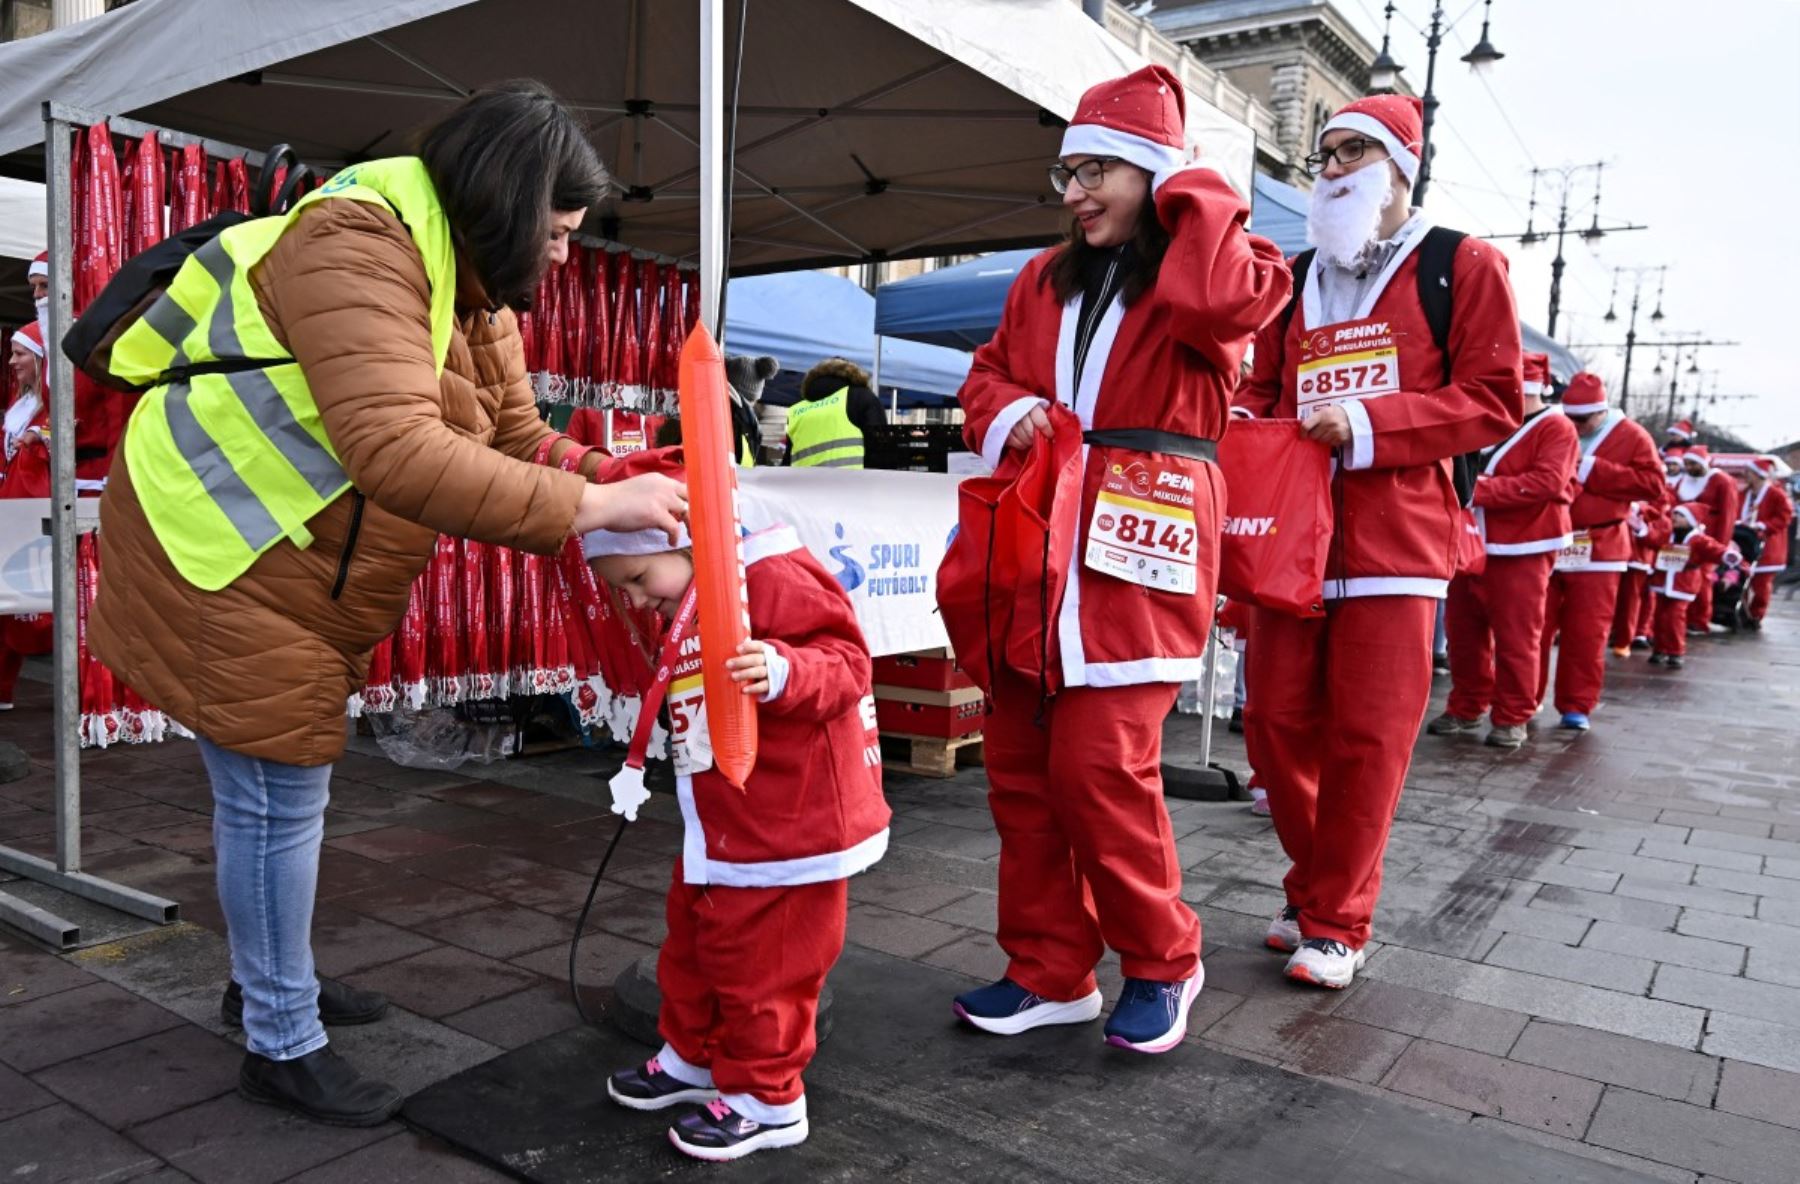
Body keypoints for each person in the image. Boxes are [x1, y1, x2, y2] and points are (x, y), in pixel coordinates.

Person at [89, 82, 689, 1127]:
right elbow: (399, 452)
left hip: (286, 561)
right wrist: (592, 501)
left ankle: (269, 979)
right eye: (552, 234)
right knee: (276, 799)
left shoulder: (469, 281)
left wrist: (620, 485)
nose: (559, 258)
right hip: (222, 548)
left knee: (277, 796)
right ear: (503, 205)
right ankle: (281, 1039)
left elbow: (514, 439)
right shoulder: (357, 245)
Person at [952, 64, 1289, 1047]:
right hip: (1035, 543)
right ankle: (1051, 967)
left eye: (1098, 169)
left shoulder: (1219, 263)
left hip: (1141, 541)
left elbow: (1226, 303)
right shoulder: (1040, 280)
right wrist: (1010, 413)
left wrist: (1197, 191)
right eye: (1066, 173)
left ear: (1154, 174)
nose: (1074, 193)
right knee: (1019, 769)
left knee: (1102, 765)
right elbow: (987, 372)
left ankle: (1163, 956)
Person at [1239, 94, 1522, 987]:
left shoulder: (1460, 263)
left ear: (1401, 164)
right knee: (1276, 728)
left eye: (1353, 152)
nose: (1331, 169)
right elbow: (1266, 389)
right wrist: (1235, 425)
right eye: (1324, 155)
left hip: (1396, 542)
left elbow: (1491, 399)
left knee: (1368, 739)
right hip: (1292, 538)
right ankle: (1309, 886)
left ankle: (1337, 922)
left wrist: (1364, 423)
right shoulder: (1295, 274)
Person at [587, 448, 890, 1163]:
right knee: (693, 944)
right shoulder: (694, 593)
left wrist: (785, 670)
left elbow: (848, 663)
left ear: (687, 536)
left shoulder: (771, 574)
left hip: (793, 824)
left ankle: (768, 1097)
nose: (636, 600)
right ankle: (694, 1056)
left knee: (770, 967)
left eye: (637, 578)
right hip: (726, 822)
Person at [1431, 352, 1576, 748]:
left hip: (1523, 547)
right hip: (1470, 543)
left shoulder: (1556, 428)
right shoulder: (1491, 420)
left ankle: (1514, 714)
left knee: (1517, 636)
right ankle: (1467, 704)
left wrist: (1475, 490)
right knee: (1462, 631)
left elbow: (1546, 481)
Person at [1535, 373, 1664, 729]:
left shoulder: (1633, 436)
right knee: (1535, 627)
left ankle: (1576, 705)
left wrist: (1595, 470)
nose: (1574, 427)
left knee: (1586, 632)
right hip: (1550, 540)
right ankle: (1526, 699)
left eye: (1582, 420)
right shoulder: (1556, 427)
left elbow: (1653, 485)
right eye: (1570, 418)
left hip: (1601, 547)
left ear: (1601, 412)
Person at [0, 323, 54, 709]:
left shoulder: (48, 410)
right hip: (13, 508)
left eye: (21, 353)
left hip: (31, 515)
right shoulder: (22, 405)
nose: (13, 360)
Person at [1647, 503, 1727, 669]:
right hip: (1663, 581)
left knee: (1675, 617)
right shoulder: (1667, 534)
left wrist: (1729, 556)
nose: (1674, 517)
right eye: (1674, 514)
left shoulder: (1698, 539)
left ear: (1691, 520)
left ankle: (1676, 651)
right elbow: (1652, 539)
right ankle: (1659, 649)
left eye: (1680, 515)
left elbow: (1715, 549)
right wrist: (1641, 529)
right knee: (1660, 617)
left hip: (1683, 583)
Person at [1671, 446, 1740, 633]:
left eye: (1692, 463)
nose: (1688, 467)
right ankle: (1682, 617)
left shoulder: (1722, 481)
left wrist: (1722, 544)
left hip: (1709, 538)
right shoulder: (1684, 481)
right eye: (1686, 464)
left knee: (1703, 579)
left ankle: (1699, 619)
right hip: (1683, 537)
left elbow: (1728, 514)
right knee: (1683, 576)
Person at [781, 357, 886, 468]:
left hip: (803, 484)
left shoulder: (796, 410)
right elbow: (881, 451)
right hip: (851, 483)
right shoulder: (860, 397)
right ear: (854, 375)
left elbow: (788, 461)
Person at [1740, 460, 1794, 630]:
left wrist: (1764, 526)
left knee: (1761, 585)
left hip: (1768, 546)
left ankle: (1757, 614)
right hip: (1744, 542)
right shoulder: (1744, 493)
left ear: (1757, 474)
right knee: (1742, 581)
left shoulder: (1776, 494)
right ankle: (1743, 612)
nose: (1745, 475)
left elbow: (1785, 516)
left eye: (1749, 472)